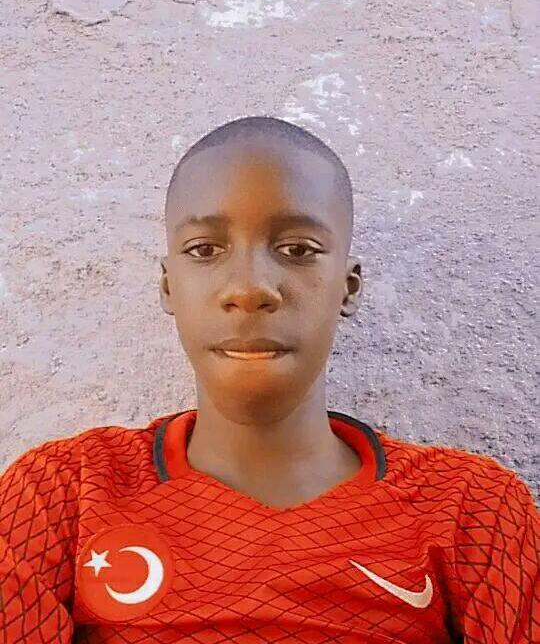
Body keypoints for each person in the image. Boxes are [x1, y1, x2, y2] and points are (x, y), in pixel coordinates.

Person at [0, 115, 537, 643]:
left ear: (348, 287)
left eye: (298, 250)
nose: (250, 288)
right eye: (205, 250)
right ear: (168, 286)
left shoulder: (472, 509)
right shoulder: (62, 495)